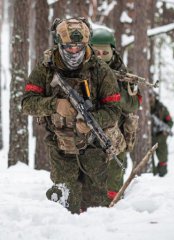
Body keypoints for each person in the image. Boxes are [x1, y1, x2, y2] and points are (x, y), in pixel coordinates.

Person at [22, 18, 121, 214]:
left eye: (79, 47)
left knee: (96, 209)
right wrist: (54, 104)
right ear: (59, 44)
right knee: (66, 206)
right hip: (61, 149)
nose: (74, 52)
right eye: (69, 47)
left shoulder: (101, 71)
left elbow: (113, 110)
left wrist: (92, 123)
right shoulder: (46, 68)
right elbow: (27, 103)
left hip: (94, 149)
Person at [90, 26, 141, 202]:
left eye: (105, 53)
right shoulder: (81, 71)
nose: (101, 57)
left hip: (114, 133)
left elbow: (134, 104)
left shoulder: (125, 76)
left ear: (113, 51)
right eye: (96, 52)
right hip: (86, 130)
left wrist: (115, 91)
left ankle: (113, 203)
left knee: (114, 174)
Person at [150, 91, 173, 177]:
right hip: (148, 138)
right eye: (148, 97)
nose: (150, 99)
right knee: (148, 160)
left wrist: (165, 131)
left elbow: (170, 122)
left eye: (151, 96)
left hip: (160, 137)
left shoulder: (162, 108)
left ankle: (161, 176)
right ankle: (151, 175)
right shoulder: (143, 108)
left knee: (163, 158)